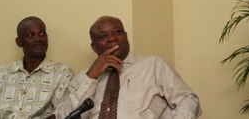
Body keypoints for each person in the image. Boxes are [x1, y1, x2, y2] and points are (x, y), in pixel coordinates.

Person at [56, 15, 202, 119]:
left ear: (125, 36)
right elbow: (65, 117)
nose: (112, 38)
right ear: (94, 47)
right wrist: (92, 76)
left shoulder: (155, 65)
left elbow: (188, 99)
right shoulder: (83, 78)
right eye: (103, 36)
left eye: (117, 32)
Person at [0, 16, 74, 119]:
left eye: (42, 33)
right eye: (31, 35)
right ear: (19, 42)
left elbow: (62, 113)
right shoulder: (0, 73)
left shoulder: (62, 73)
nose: (38, 39)